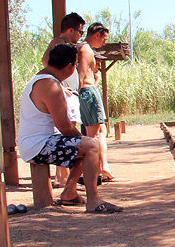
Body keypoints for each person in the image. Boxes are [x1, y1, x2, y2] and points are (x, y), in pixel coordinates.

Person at [18, 43, 122, 213]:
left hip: (35, 142)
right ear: (69, 67)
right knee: (91, 146)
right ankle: (93, 201)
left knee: (84, 146)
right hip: (38, 145)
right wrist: (86, 142)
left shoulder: (41, 78)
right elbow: (65, 126)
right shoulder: (50, 85)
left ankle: (69, 191)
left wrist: (82, 142)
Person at [42, 12, 85, 188]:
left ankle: (63, 175)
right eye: (79, 32)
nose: (80, 35)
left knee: (68, 130)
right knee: (67, 131)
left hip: (69, 93)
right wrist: (59, 86)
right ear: (70, 30)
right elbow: (46, 62)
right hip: (65, 94)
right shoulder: (58, 43)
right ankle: (62, 177)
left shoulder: (64, 43)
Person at [77, 22, 115, 182]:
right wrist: (75, 93)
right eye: (103, 39)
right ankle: (89, 172)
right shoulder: (85, 49)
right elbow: (80, 74)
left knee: (99, 131)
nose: (104, 43)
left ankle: (101, 167)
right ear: (96, 35)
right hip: (87, 92)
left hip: (88, 91)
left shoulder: (85, 49)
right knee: (92, 136)